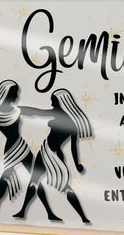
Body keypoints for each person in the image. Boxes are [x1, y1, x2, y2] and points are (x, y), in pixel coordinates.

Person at [14, 88, 92, 223]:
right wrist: (77, 164)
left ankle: (23, 211)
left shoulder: (59, 114)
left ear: (61, 102)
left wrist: (17, 109)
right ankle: (83, 217)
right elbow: (73, 147)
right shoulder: (73, 123)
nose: (51, 103)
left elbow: (37, 112)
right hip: (56, 154)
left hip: (46, 153)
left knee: (35, 181)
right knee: (62, 186)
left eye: (53, 101)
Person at [0, 80, 34, 217]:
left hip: (20, 147)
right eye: (15, 93)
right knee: (8, 178)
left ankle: (43, 211)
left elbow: (37, 112)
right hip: (12, 149)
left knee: (35, 177)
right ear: (8, 94)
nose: (17, 96)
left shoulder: (16, 110)